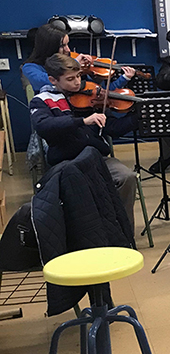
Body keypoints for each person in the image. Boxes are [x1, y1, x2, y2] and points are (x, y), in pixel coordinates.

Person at [29, 54, 137, 230]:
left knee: (127, 177)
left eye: (79, 76)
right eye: (70, 79)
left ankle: (122, 231)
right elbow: (43, 126)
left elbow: (113, 128)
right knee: (81, 188)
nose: (77, 82)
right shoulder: (42, 101)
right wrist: (82, 121)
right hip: (66, 161)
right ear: (53, 80)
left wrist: (137, 117)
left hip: (97, 158)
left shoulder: (90, 97)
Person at [22, 24, 134, 93]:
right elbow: (47, 81)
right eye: (62, 46)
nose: (68, 50)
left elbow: (102, 92)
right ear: (49, 47)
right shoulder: (29, 67)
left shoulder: (72, 59)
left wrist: (96, 78)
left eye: (67, 44)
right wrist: (74, 64)